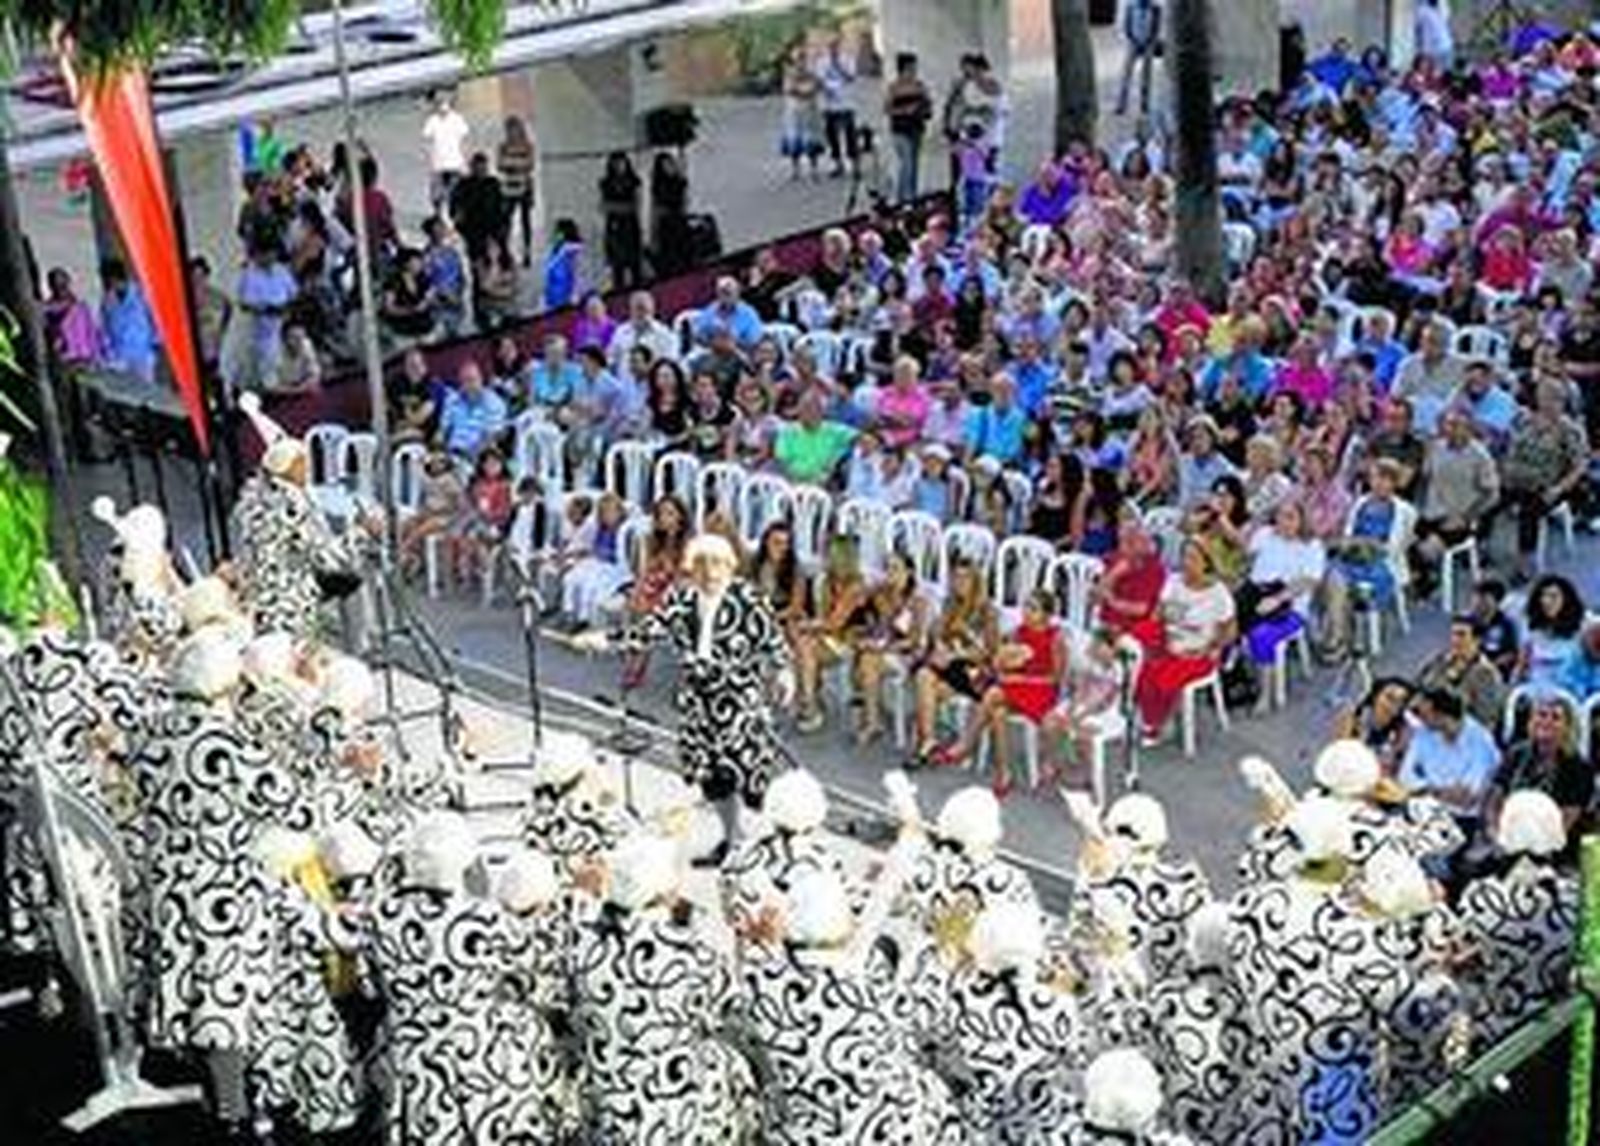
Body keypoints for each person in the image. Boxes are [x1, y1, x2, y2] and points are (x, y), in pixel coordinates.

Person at [580, 534, 794, 866]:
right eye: (701, 565)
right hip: (698, 700)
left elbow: (775, 643)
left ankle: (765, 849)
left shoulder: (749, 600)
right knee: (712, 779)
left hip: (738, 700)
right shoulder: (681, 599)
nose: (710, 572)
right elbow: (647, 632)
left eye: (717, 564)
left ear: (731, 566)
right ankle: (731, 838)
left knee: (749, 778)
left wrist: (784, 673)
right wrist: (605, 640)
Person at [1131, 539, 1237, 741]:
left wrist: (1210, 648)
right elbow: (1157, 615)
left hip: (1199, 650)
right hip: (1168, 640)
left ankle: (1161, 718)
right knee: (1134, 653)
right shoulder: (1174, 581)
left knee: (1161, 675)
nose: (1187, 563)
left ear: (1206, 563)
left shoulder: (1218, 593)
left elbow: (1230, 631)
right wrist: (1149, 638)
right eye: (1185, 557)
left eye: (1193, 558)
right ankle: (1149, 713)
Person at [912, 557, 1000, 761]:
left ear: (976, 582)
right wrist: (940, 641)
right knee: (925, 678)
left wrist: (958, 650)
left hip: (975, 672)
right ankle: (928, 741)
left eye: (965, 578)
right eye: (956, 577)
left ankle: (927, 739)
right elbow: (939, 636)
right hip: (951, 668)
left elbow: (990, 652)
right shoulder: (949, 604)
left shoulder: (988, 611)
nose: (959, 582)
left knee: (928, 686)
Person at [1416, 616, 1507, 732]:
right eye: (1453, 634)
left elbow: (1485, 719)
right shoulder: (1438, 661)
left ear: (1476, 640)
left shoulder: (1487, 675)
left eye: (1461, 635)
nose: (1455, 640)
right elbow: (1418, 687)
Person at [98, 257, 158, 383]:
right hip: (120, 356)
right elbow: (105, 328)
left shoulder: (141, 293)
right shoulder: (107, 301)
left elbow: (155, 319)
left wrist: (155, 343)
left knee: (146, 393)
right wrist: (109, 353)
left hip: (142, 353)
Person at [438, 360, 509, 463]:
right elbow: (443, 430)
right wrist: (439, 451)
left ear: (481, 379)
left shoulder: (494, 402)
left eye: (472, 380)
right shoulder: (452, 400)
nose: (469, 385)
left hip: (478, 456)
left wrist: (470, 456)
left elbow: (491, 436)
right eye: (464, 381)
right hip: (451, 454)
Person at [884, 51, 932, 202]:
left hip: (916, 127)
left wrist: (924, 108)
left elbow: (928, 104)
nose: (912, 72)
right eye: (910, 69)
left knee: (914, 162)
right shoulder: (894, 88)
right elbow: (887, 109)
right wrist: (904, 110)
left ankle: (912, 193)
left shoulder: (919, 86)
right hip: (900, 129)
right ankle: (903, 196)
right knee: (907, 162)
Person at [448, 151, 506, 265]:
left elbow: (500, 205)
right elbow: (454, 203)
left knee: (495, 255)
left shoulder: (493, 183)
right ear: (472, 167)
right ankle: (478, 278)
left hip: (491, 225)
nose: (481, 170)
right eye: (478, 167)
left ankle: (489, 274)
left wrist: (502, 224)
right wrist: (457, 219)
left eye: (483, 167)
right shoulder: (464, 184)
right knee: (476, 255)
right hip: (472, 226)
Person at [599, 151, 644, 289]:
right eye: (616, 164)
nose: (619, 166)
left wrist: (616, 207)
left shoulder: (634, 181)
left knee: (635, 264)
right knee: (617, 267)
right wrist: (617, 208)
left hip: (630, 225)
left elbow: (635, 205)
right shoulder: (605, 183)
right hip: (613, 227)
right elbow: (603, 207)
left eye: (622, 163)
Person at [815, 33, 858, 178]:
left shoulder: (847, 59)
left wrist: (838, 65)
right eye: (830, 46)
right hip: (829, 104)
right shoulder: (821, 62)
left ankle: (855, 164)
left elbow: (851, 77)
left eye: (835, 45)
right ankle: (838, 164)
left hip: (846, 103)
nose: (833, 48)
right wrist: (825, 89)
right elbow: (819, 80)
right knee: (832, 135)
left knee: (850, 134)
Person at [496, 115, 537, 266]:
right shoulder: (503, 146)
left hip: (524, 186)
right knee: (506, 220)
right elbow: (500, 165)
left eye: (514, 128)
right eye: (509, 129)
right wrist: (517, 163)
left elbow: (529, 164)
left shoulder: (527, 145)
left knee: (525, 220)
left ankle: (527, 251)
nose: (511, 132)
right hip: (508, 187)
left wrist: (512, 163)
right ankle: (505, 250)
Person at [780, 43, 824, 179]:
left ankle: (814, 169)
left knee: (811, 140)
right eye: (798, 58)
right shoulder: (789, 73)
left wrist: (804, 90)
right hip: (794, 112)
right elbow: (789, 90)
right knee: (794, 140)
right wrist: (805, 90)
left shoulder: (812, 72)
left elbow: (818, 86)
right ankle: (795, 169)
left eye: (803, 58)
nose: (801, 61)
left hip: (810, 112)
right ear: (794, 60)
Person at [422, 89, 470, 208]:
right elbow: (427, 141)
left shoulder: (457, 119)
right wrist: (429, 161)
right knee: (437, 197)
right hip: (438, 165)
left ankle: (453, 216)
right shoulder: (432, 120)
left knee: (456, 195)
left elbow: (464, 141)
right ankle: (440, 216)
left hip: (455, 163)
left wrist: (465, 162)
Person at [1118, 0, 1162, 116]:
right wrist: (1132, 40)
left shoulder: (1155, 8)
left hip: (1148, 43)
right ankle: (1121, 104)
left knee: (1146, 75)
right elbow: (1127, 25)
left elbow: (1156, 27)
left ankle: (1144, 105)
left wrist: (1150, 41)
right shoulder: (1131, 6)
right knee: (1126, 73)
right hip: (1133, 42)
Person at [543, 218, 585, 311]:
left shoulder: (571, 252)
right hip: (554, 296)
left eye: (557, 231)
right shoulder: (558, 249)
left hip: (564, 299)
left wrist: (575, 297)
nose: (554, 234)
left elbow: (577, 276)